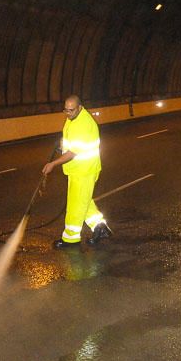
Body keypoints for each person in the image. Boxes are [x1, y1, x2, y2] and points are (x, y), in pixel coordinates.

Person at [42, 95, 112, 248]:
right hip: (79, 170)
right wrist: (62, 145)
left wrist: (53, 163)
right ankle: (100, 227)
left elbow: (73, 152)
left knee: (75, 205)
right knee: (84, 201)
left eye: (71, 110)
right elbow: (70, 140)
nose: (68, 113)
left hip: (84, 171)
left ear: (80, 107)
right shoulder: (74, 117)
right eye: (65, 110)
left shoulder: (84, 124)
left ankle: (71, 239)